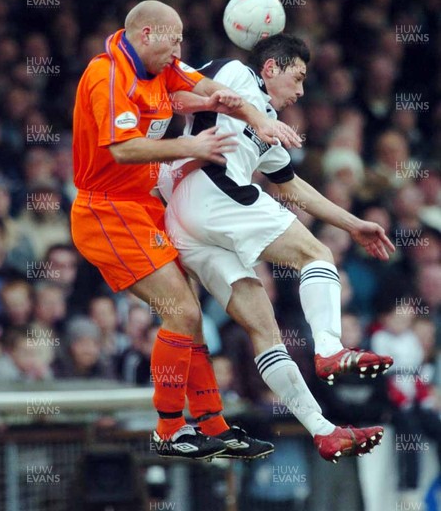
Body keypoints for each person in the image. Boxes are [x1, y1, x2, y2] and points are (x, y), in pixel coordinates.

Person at [71, 0, 299, 460]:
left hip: (142, 205)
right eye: (173, 38)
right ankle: (169, 430)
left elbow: (209, 87)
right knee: (182, 313)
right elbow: (124, 149)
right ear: (147, 33)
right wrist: (190, 145)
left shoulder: (164, 66)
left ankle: (212, 425)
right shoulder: (109, 75)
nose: (180, 48)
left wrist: (255, 116)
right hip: (107, 211)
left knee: (188, 315)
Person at [160, 34, 396, 462]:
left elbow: (293, 187)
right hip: (211, 189)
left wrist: (354, 223)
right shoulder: (236, 72)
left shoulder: (268, 124)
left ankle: (323, 431)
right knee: (318, 256)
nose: (301, 91)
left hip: (186, 224)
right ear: (271, 68)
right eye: (298, 77)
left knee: (264, 331)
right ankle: (328, 349)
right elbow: (180, 90)